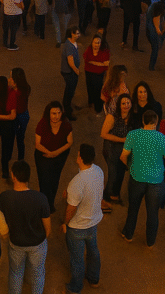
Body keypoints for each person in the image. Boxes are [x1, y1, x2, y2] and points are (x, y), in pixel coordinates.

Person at [120, 109, 165, 247]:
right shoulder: (162, 138)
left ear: (143, 122)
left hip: (136, 179)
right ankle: (150, 241)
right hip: (156, 182)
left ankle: (128, 235)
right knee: (152, 213)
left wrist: (130, 166)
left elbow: (123, 156)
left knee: (133, 209)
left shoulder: (133, 135)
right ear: (156, 123)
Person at [0, 159, 50, 294]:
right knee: (38, 274)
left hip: (16, 243)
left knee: (15, 273)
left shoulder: (5, 197)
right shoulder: (40, 198)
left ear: (13, 176)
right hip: (37, 244)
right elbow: (47, 227)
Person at [63, 143, 104, 294]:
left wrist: (65, 223)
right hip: (93, 222)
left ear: (80, 158)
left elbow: (71, 208)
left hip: (77, 227)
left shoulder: (77, 181)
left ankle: (75, 288)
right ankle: (94, 279)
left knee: (77, 258)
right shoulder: (99, 171)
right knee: (93, 251)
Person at [60, 27, 81, 120]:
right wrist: (76, 70)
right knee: (69, 91)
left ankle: (68, 105)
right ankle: (67, 111)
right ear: (71, 34)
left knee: (70, 90)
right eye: (76, 33)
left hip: (71, 72)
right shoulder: (69, 46)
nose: (78, 35)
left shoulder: (72, 43)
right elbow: (70, 61)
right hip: (69, 72)